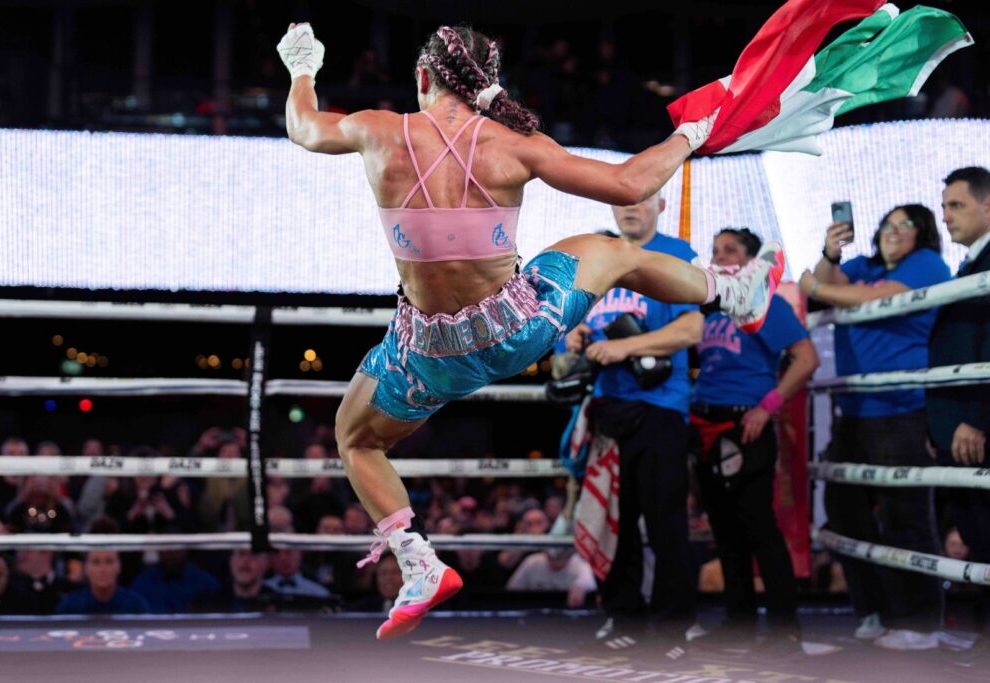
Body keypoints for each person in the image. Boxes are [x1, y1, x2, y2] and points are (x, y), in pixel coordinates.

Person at [278, 22, 783, 641]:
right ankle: (731, 291)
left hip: (428, 354)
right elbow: (631, 185)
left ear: (422, 78)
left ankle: (416, 561)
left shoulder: (377, 130)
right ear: (488, 83)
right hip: (519, 329)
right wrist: (694, 131)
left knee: (354, 441)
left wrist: (302, 66)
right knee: (613, 250)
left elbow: (303, 127)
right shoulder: (515, 144)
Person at [801, 204, 950, 650]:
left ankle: (919, 623)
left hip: (901, 407)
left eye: (906, 225)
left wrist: (815, 284)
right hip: (855, 410)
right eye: (889, 223)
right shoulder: (863, 265)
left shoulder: (927, 263)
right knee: (845, 514)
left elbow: (872, 298)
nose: (894, 231)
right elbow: (829, 286)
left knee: (906, 516)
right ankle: (873, 610)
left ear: (921, 234)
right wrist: (829, 253)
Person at [562, 196, 703, 645]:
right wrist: (573, 337)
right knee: (612, 519)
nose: (630, 208)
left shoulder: (677, 253)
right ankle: (623, 617)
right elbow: (565, 347)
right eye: (620, 200)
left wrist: (624, 348)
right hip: (607, 408)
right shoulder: (598, 256)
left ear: (661, 202)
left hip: (661, 406)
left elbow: (691, 330)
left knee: (665, 521)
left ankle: (672, 625)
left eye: (640, 200)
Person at [691, 227, 819, 647]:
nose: (720, 256)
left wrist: (768, 406)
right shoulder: (709, 307)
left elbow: (806, 358)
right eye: (715, 250)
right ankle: (739, 621)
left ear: (750, 262)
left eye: (730, 250)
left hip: (746, 424)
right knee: (725, 531)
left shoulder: (766, 303)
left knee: (759, 528)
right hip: (706, 424)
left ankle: (785, 629)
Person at [927, 166, 990, 636]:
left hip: (978, 432)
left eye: (957, 205)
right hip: (963, 431)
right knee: (980, 545)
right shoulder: (971, 266)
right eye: (945, 205)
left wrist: (977, 422)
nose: (945, 216)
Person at [55, 550, 150, 615]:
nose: (102, 569)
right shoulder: (69, 606)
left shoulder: (136, 605)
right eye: (96, 562)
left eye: (109, 561)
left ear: (119, 566)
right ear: (86, 568)